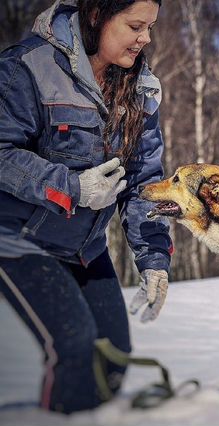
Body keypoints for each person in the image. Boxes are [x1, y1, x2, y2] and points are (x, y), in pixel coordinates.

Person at [0, 0, 173, 414]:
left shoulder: (140, 89)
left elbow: (144, 182)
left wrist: (153, 258)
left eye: (149, 27)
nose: (145, 38)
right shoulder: (27, 68)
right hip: (19, 239)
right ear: (97, 16)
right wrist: (71, 187)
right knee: (74, 347)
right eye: (135, 25)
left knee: (111, 355)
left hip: (84, 246)